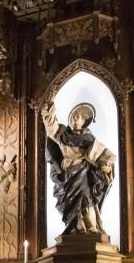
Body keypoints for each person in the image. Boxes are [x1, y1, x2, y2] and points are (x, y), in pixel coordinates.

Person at [41, 101, 116, 235]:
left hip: (85, 174)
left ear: (83, 121)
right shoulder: (62, 134)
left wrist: (107, 169)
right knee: (72, 203)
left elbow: (104, 157)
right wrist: (48, 111)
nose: (74, 118)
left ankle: (91, 227)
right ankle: (78, 227)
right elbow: (51, 127)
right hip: (68, 175)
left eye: (78, 116)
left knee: (87, 200)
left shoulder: (89, 139)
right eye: (73, 116)